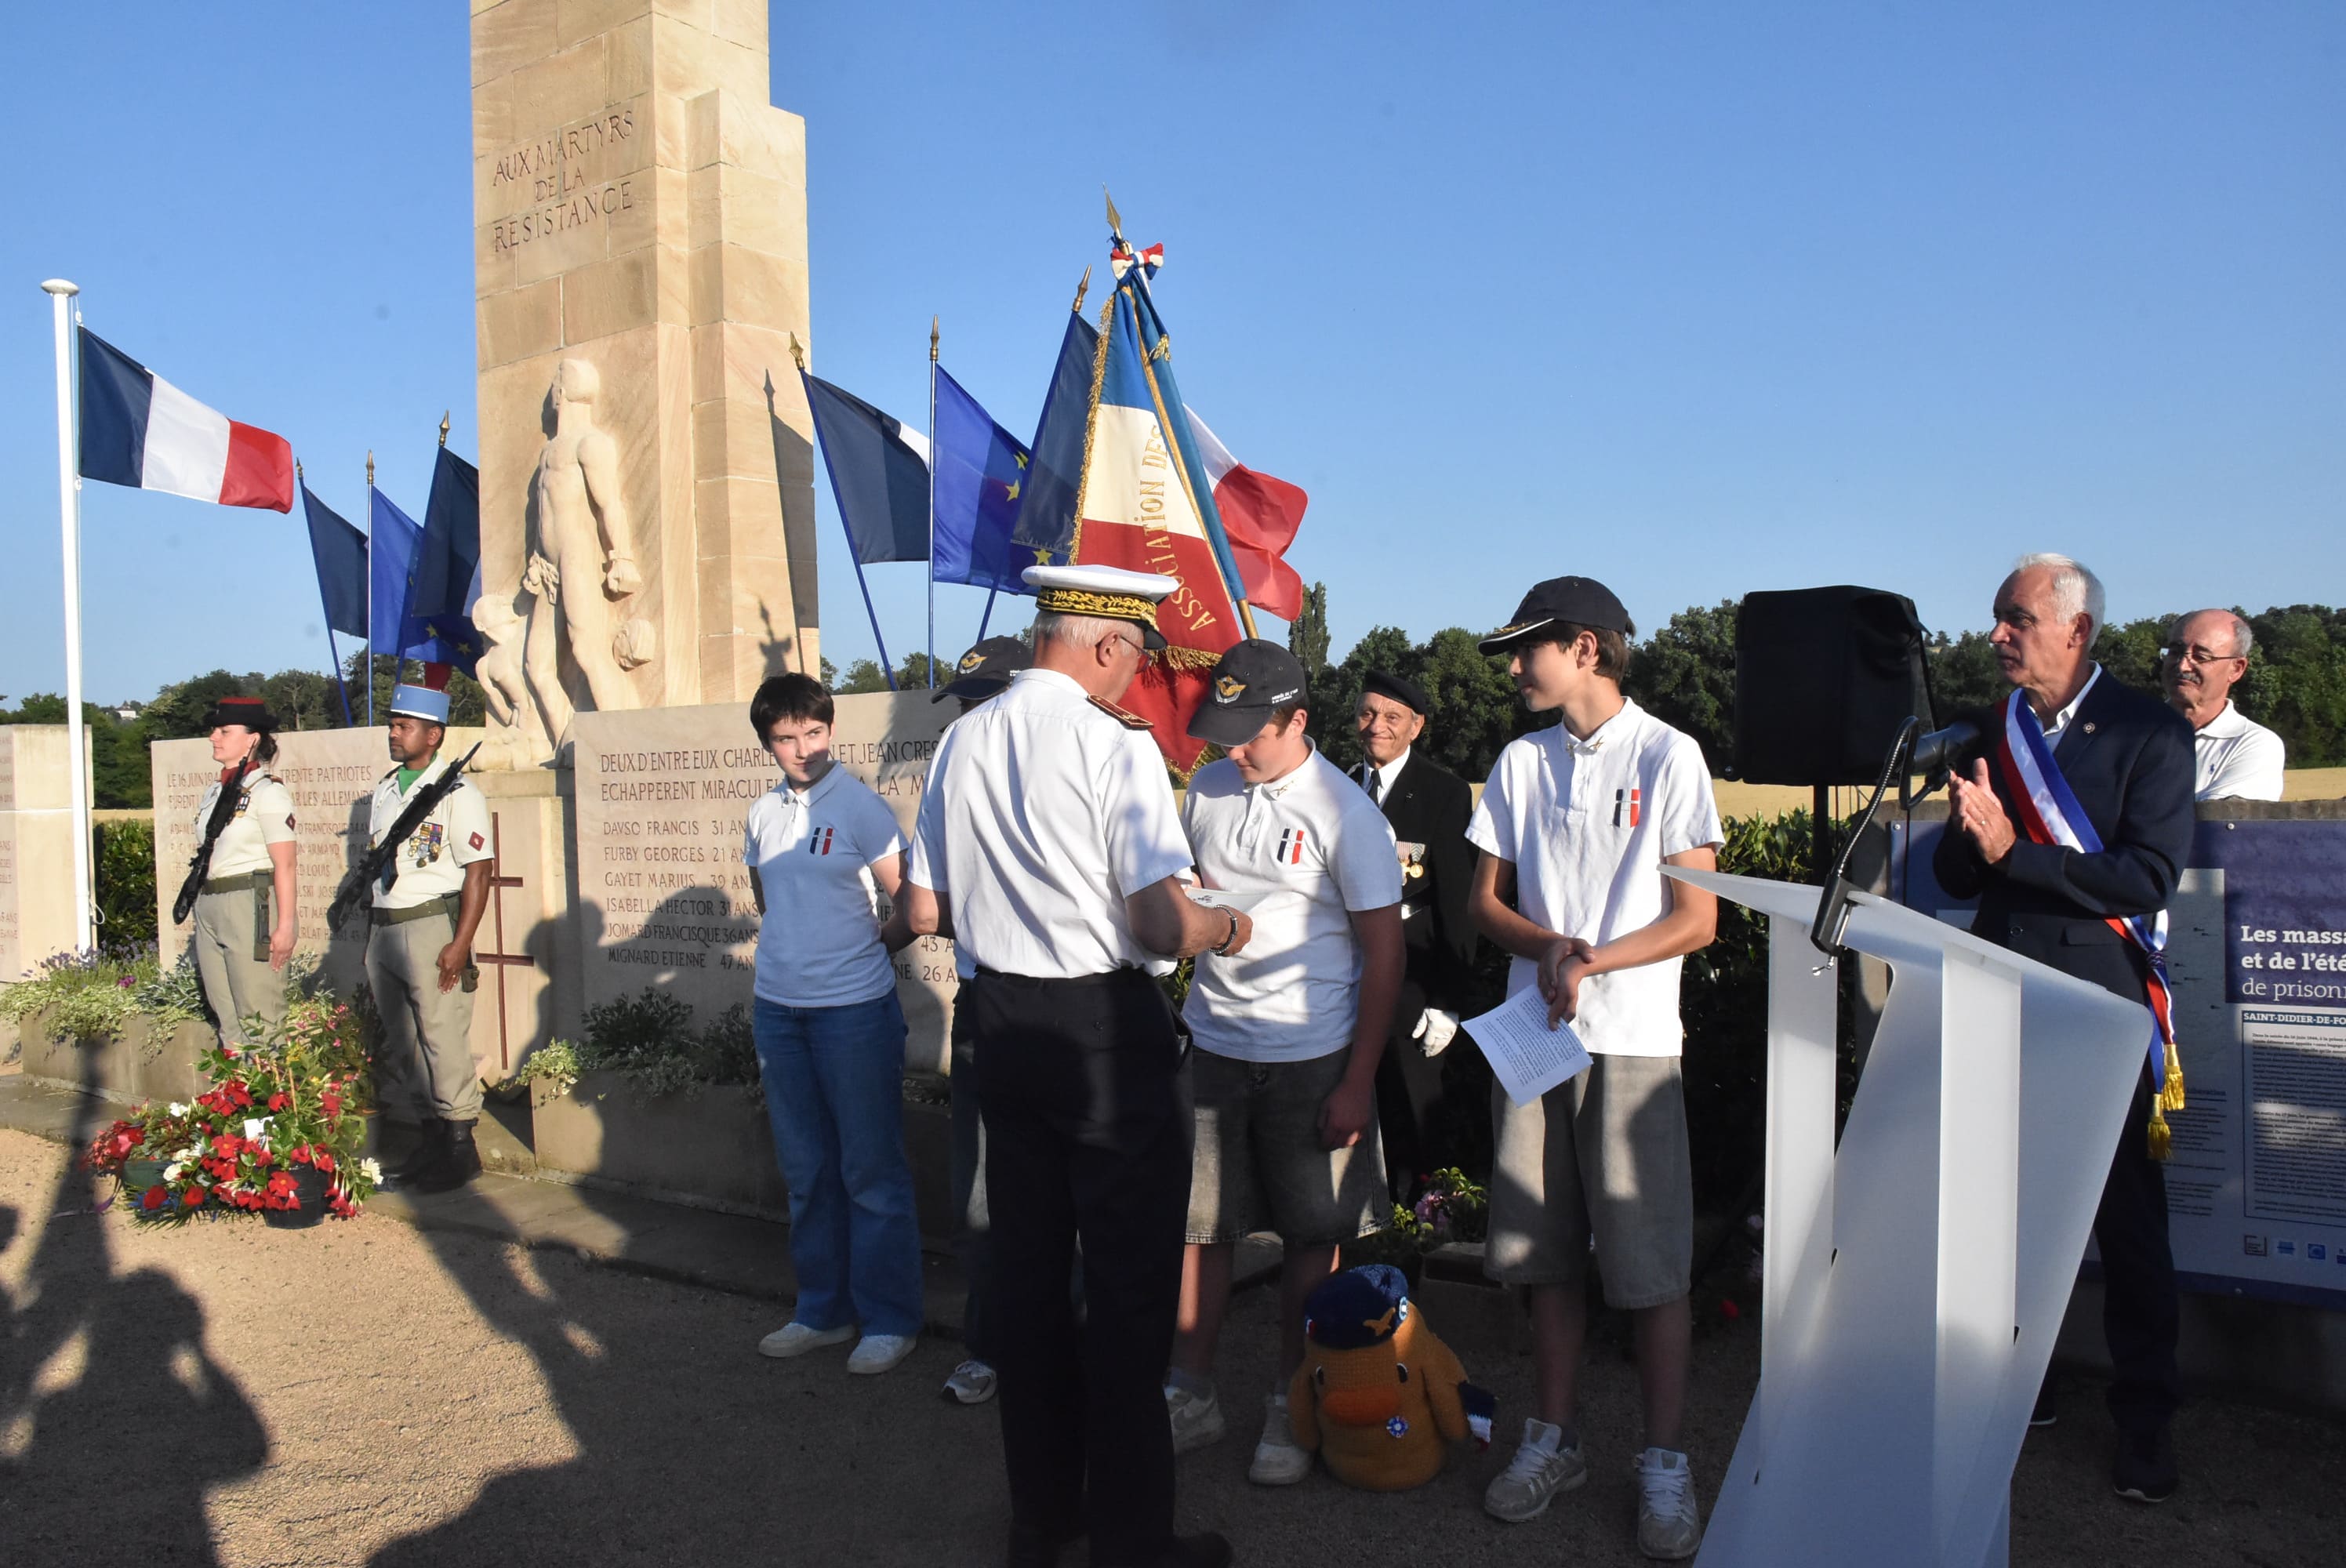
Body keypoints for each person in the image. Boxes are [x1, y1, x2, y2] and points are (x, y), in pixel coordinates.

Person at [886, 564, 1251, 1568]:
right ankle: (1134, 1543)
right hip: (1101, 1034)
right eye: (1134, 660)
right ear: (1101, 645)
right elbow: (1152, 919)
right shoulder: (1110, 743)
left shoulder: (962, 737)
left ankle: (1041, 1524)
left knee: (1034, 1290)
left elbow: (926, 909)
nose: (1135, 683)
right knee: (1130, 1299)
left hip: (1001, 1021)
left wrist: (1024, 909)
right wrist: (1223, 923)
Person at [1465, 575, 1722, 1561]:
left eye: (1525, 648)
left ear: (1583, 647)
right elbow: (1485, 901)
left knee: (1651, 1268)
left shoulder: (1670, 753)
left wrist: (1589, 960)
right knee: (1546, 1259)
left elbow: (1697, 917)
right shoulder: (1519, 760)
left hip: (1633, 1043)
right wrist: (1548, 946)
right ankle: (1553, 1437)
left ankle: (1664, 1459)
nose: (1514, 665)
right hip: (1536, 1038)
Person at [1934, 554, 2194, 1503]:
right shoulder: (1989, 729)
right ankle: (2015, 1385)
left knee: (2124, 1220)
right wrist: (1971, 842)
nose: (1997, 634)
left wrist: (2017, 851)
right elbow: (1968, 879)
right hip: (2000, 990)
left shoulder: (2148, 729)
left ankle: (2145, 1420)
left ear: (2074, 630)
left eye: (2015, 618)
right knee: (2002, 1211)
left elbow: (2147, 875)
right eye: (1996, 619)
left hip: (2097, 1005)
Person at [1164, 641, 1404, 1486]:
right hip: (1217, 1044)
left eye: (1249, 733)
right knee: (1202, 1229)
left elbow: (1384, 954)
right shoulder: (1210, 786)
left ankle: (1288, 1397)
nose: (1232, 749)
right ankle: (1188, 1388)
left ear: (1296, 719)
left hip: (1310, 1055)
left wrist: (1356, 1081)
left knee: (1311, 1235)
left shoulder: (1345, 813)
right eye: (1221, 731)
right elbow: (1186, 887)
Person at [743, 672, 926, 1377]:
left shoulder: (860, 808)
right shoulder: (762, 815)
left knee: (870, 1170)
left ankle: (889, 1319)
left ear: (831, 730)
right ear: (768, 743)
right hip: (780, 1012)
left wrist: (861, 952)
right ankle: (821, 1309)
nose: (802, 749)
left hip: (854, 1013)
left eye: (813, 733)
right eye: (786, 738)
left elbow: (910, 906)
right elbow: (767, 897)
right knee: (806, 1171)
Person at [929, 635, 1033, 1406]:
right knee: (983, 1193)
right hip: (984, 1003)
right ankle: (989, 1343)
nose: (967, 718)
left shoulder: (1066, 772)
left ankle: (1057, 1340)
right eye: (962, 704)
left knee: (1057, 1187)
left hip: (1062, 1005)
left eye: (980, 701)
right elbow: (922, 896)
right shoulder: (951, 777)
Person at [1348, 669, 1480, 1199]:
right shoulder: (1338, 784)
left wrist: (1449, 1000)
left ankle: (1417, 1226)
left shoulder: (1442, 793)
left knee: (1414, 1116)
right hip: (1346, 977)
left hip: (1412, 981)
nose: (1376, 726)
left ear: (1416, 727)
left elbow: (1457, 902)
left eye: (1392, 717)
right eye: (1367, 713)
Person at [366, 677, 495, 1193]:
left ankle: (461, 1146)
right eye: (393, 725)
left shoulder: (459, 792)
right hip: (385, 928)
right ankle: (431, 1136)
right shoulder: (384, 789)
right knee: (405, 1042)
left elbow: (479, 872)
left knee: (442, 1038)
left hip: (431, 926)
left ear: (434, 735)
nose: (394, 733)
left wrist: (459, 945)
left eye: (404, 726)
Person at [184, 696, 299, 1046]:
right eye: (214, 730)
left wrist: (286, 925)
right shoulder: (214, 791)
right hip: (210, 902)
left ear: (252, 739)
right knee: (226, 1016)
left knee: (259, 1015)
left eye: (224, 730)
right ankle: (234, 1098)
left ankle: (269, 1095)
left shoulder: (268, 793)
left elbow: (286, 864)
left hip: (248, 900)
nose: (213, 737)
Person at [2159, 608, 2284, 801]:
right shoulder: (2127, 731)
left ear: (2236, 669)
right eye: (2175, 652)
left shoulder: (2253, 744)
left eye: (2201, 657)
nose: (2183, 665)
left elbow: (2220, 824)